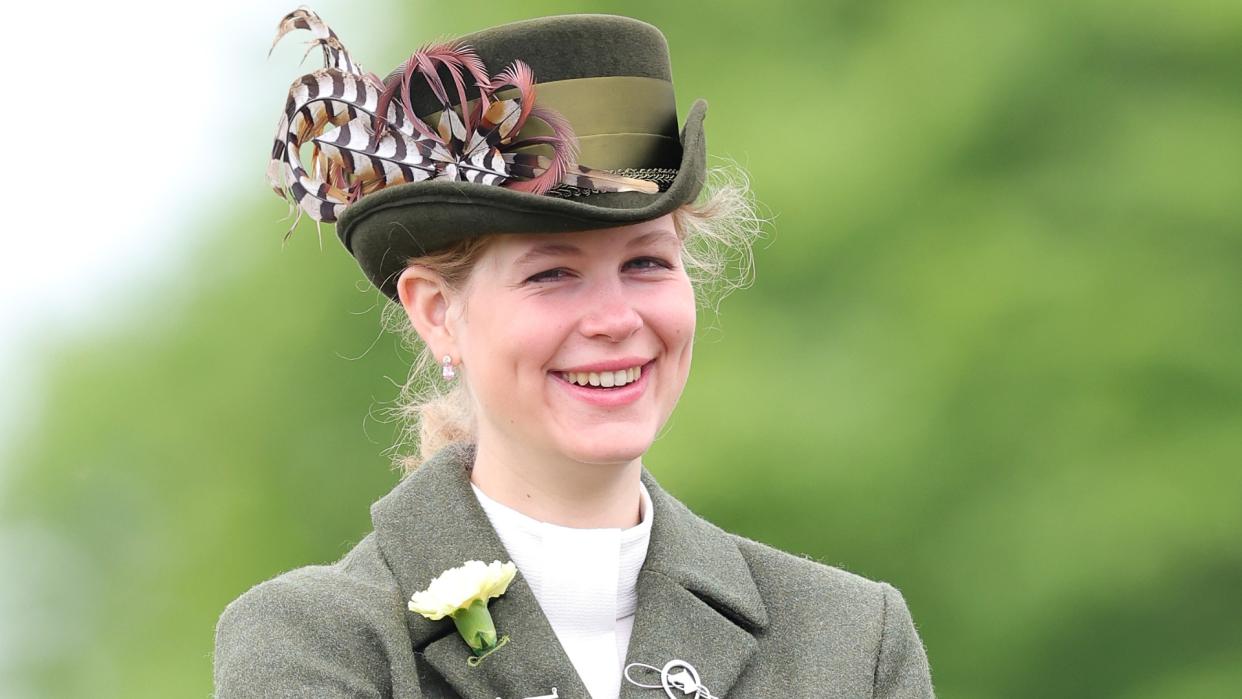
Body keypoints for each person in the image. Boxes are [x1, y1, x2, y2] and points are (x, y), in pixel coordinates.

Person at [214, 8, 934, 698]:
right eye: (552, 273)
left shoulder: (848, 639)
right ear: (438, 314)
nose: (616, 319)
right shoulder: (317, 643)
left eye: (647, 263)